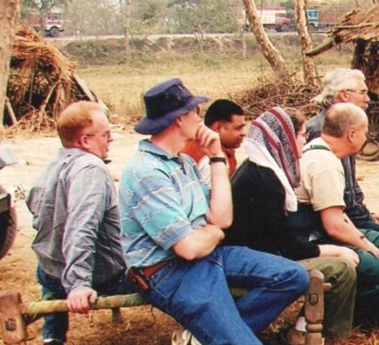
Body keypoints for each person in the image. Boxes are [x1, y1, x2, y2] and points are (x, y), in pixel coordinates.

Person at [118, 78, 309, 345]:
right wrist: (215, 233)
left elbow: (222, 219)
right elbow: (188, 248)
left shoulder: (183, 161)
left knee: (293, 276)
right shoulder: (147, 173)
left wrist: (217, 157)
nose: (200, 119)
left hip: (208, 255)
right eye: (195, 112)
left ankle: (200, 337)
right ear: (179, 119)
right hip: (169, 271)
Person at [226, 107, 360, 344]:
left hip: (255, 255)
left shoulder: (258, 170)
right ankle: (316, 335)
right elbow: (286, 249)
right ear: (284, 139)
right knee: (341, 269)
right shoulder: (265, 180)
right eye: (300, 135)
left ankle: (301, 330)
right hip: (253, 262)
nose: (305, 140)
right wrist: (336, 250)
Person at [26, 102, 135, 345]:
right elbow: (81, 228)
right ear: (85, 141)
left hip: (50, 274)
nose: (112, 139)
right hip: (103, 277)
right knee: (164, 266)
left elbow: (35, 211)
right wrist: (78, 284)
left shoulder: (53, 165)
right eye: (105, 134)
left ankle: (52, 336)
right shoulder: (91, 168)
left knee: (52, 261)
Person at [289, 103, 379, 327]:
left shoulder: (321, 151)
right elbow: (334, 226)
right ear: (351, 134)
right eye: (364, 132)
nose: (366, 137)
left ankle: (369, 311)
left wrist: (367, 241)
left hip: (317, 230)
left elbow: (338, 213)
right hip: (309, 239)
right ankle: (364, 325)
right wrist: (368, 247)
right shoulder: (325, 163)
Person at [304, 68, 379, 265]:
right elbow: (333, 196)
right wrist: (365, 219)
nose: (368, 98)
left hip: (348, 212)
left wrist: (368, 214)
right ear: (344, 95)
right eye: (362, 92)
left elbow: (351, 187)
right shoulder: (324, 130)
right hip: (331, 217)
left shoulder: (349, 125)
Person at [179, 99, 247, 186]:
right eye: (238, 128)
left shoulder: (222, 148)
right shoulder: (209, 161)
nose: (244, 133)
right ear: (218, 128)